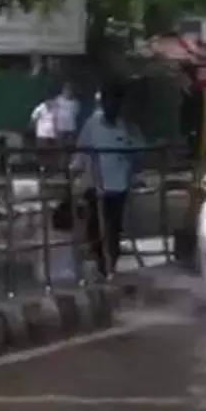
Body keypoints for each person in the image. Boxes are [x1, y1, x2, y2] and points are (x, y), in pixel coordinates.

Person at [71, 84, 139, 279]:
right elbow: (81, 150)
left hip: (119, 186)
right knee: (95, 227)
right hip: (96, 185)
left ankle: (110, 266)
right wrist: (73, 172)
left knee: (114, 228)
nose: (112, 106)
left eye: (116, 102)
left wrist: (134, 174)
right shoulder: (92, 125)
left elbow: (135, 153)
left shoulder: (125, 127)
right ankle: (101, 263)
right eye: (109, 101)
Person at [54, 82, 81, 149]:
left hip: (71, 128)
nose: (68, 91)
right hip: (60, 128)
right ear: (63, 90)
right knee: (59, 147)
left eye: (70, 90)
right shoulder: (58, 100)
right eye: (66, 89)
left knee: (70, 147)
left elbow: (77, 114)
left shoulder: (76, 102)